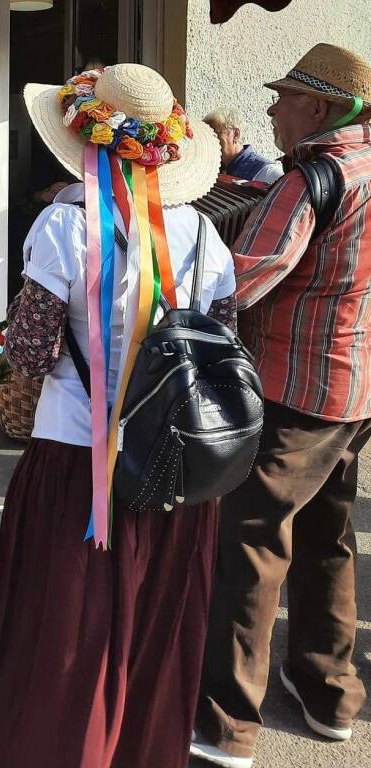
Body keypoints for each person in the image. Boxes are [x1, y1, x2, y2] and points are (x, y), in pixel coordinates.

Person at [0, 64, 236, 768]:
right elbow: (222, 345)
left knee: (62, 639)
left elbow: (28, 350)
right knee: (155, 631)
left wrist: (13, 404)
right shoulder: (206, 236)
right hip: (175, 467)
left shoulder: (63, 222)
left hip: (76, 463)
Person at [192, 43, 371, 768]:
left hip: (292, 392)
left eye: (285, 97)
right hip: (354, 388)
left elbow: (244, 280)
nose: (272, 107)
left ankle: (227, 726)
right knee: (327, 540)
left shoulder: (315, 175)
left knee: (250, 548)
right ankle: (329, 697)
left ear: (320, 108)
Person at [204, 107, 283, 183]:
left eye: (214, 134)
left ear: (235, 134)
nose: (209, 141)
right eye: (206, 135)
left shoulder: (268, 172)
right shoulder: (214, 170)